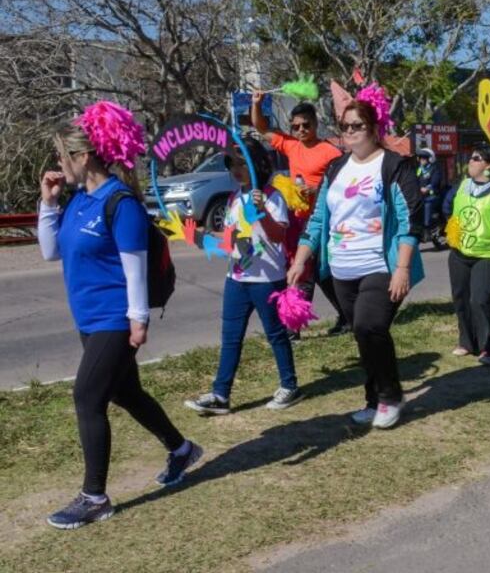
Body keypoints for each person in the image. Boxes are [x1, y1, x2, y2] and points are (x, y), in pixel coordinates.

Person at [38, 107, 202, 529]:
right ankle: (181, 449)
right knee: (125, 393)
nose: (59, 165)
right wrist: (48, 204)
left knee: (87, 397)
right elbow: (50, 251)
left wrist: (138, 321)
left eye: (62, 156)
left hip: (115, 319)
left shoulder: (120, 203)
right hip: (89, 321)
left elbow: (134, 270)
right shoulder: (77, 201)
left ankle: (94, 497)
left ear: (84, 156)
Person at [287, 88, 424, 430]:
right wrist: (300, 260)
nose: (350, 131)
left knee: (370, 326)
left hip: (381, 265)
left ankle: (390, 397)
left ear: (374, 128)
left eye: (358, 125)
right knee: (364, 336)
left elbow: (411, 221)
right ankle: (374, 399)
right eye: (345, 126)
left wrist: (403, 268)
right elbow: (318, 219)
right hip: (341, 270)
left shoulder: (394, 166)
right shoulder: (336, 168)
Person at [184, 137, 303, 415]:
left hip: (267, 280)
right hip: (236, 279)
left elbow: (278, 236)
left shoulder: (272, 195)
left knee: (276, 335)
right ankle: (220, 395)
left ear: (257, 163)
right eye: (231, 163)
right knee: (231, 338)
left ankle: (290, 385)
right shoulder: (233, 198)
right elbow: (229, 243)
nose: (236, 169)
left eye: (241, 162)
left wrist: (261, 212)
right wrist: (195, 237)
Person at [251, 93, 347, 336]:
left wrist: (317, 189)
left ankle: (295, 325)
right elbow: (260, 127)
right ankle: (343, 316)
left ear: (316, 124)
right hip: (295, 218)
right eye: (296, 126)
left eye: (306, 125)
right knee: (305, 269)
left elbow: (346, 184)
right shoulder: (291, 145)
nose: (301, 130)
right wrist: (256, 103)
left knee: (312, 270)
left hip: (322, 218)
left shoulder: (330, 152)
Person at [443, 145, 490, 364]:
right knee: (461, 298)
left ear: (488, 166)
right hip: (459, 252)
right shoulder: (463, 185)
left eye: (476, 159)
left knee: (480, 299)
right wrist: (453, 230)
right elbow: (448, 207)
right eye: (471, 157)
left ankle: (487, 346)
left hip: (489, 254)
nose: (471, 162)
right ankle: (466, 342)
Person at [417, 147, 445, 233]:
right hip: (420, 195)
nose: (422, 159)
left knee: (427, 204)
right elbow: (415, 180)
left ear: (430, 159)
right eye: (421, 157)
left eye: (424, 157)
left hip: (433, 195)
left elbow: (435, 182)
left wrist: (427, 188)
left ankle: (427, 228)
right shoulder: (419, 169)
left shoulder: (435, 169)